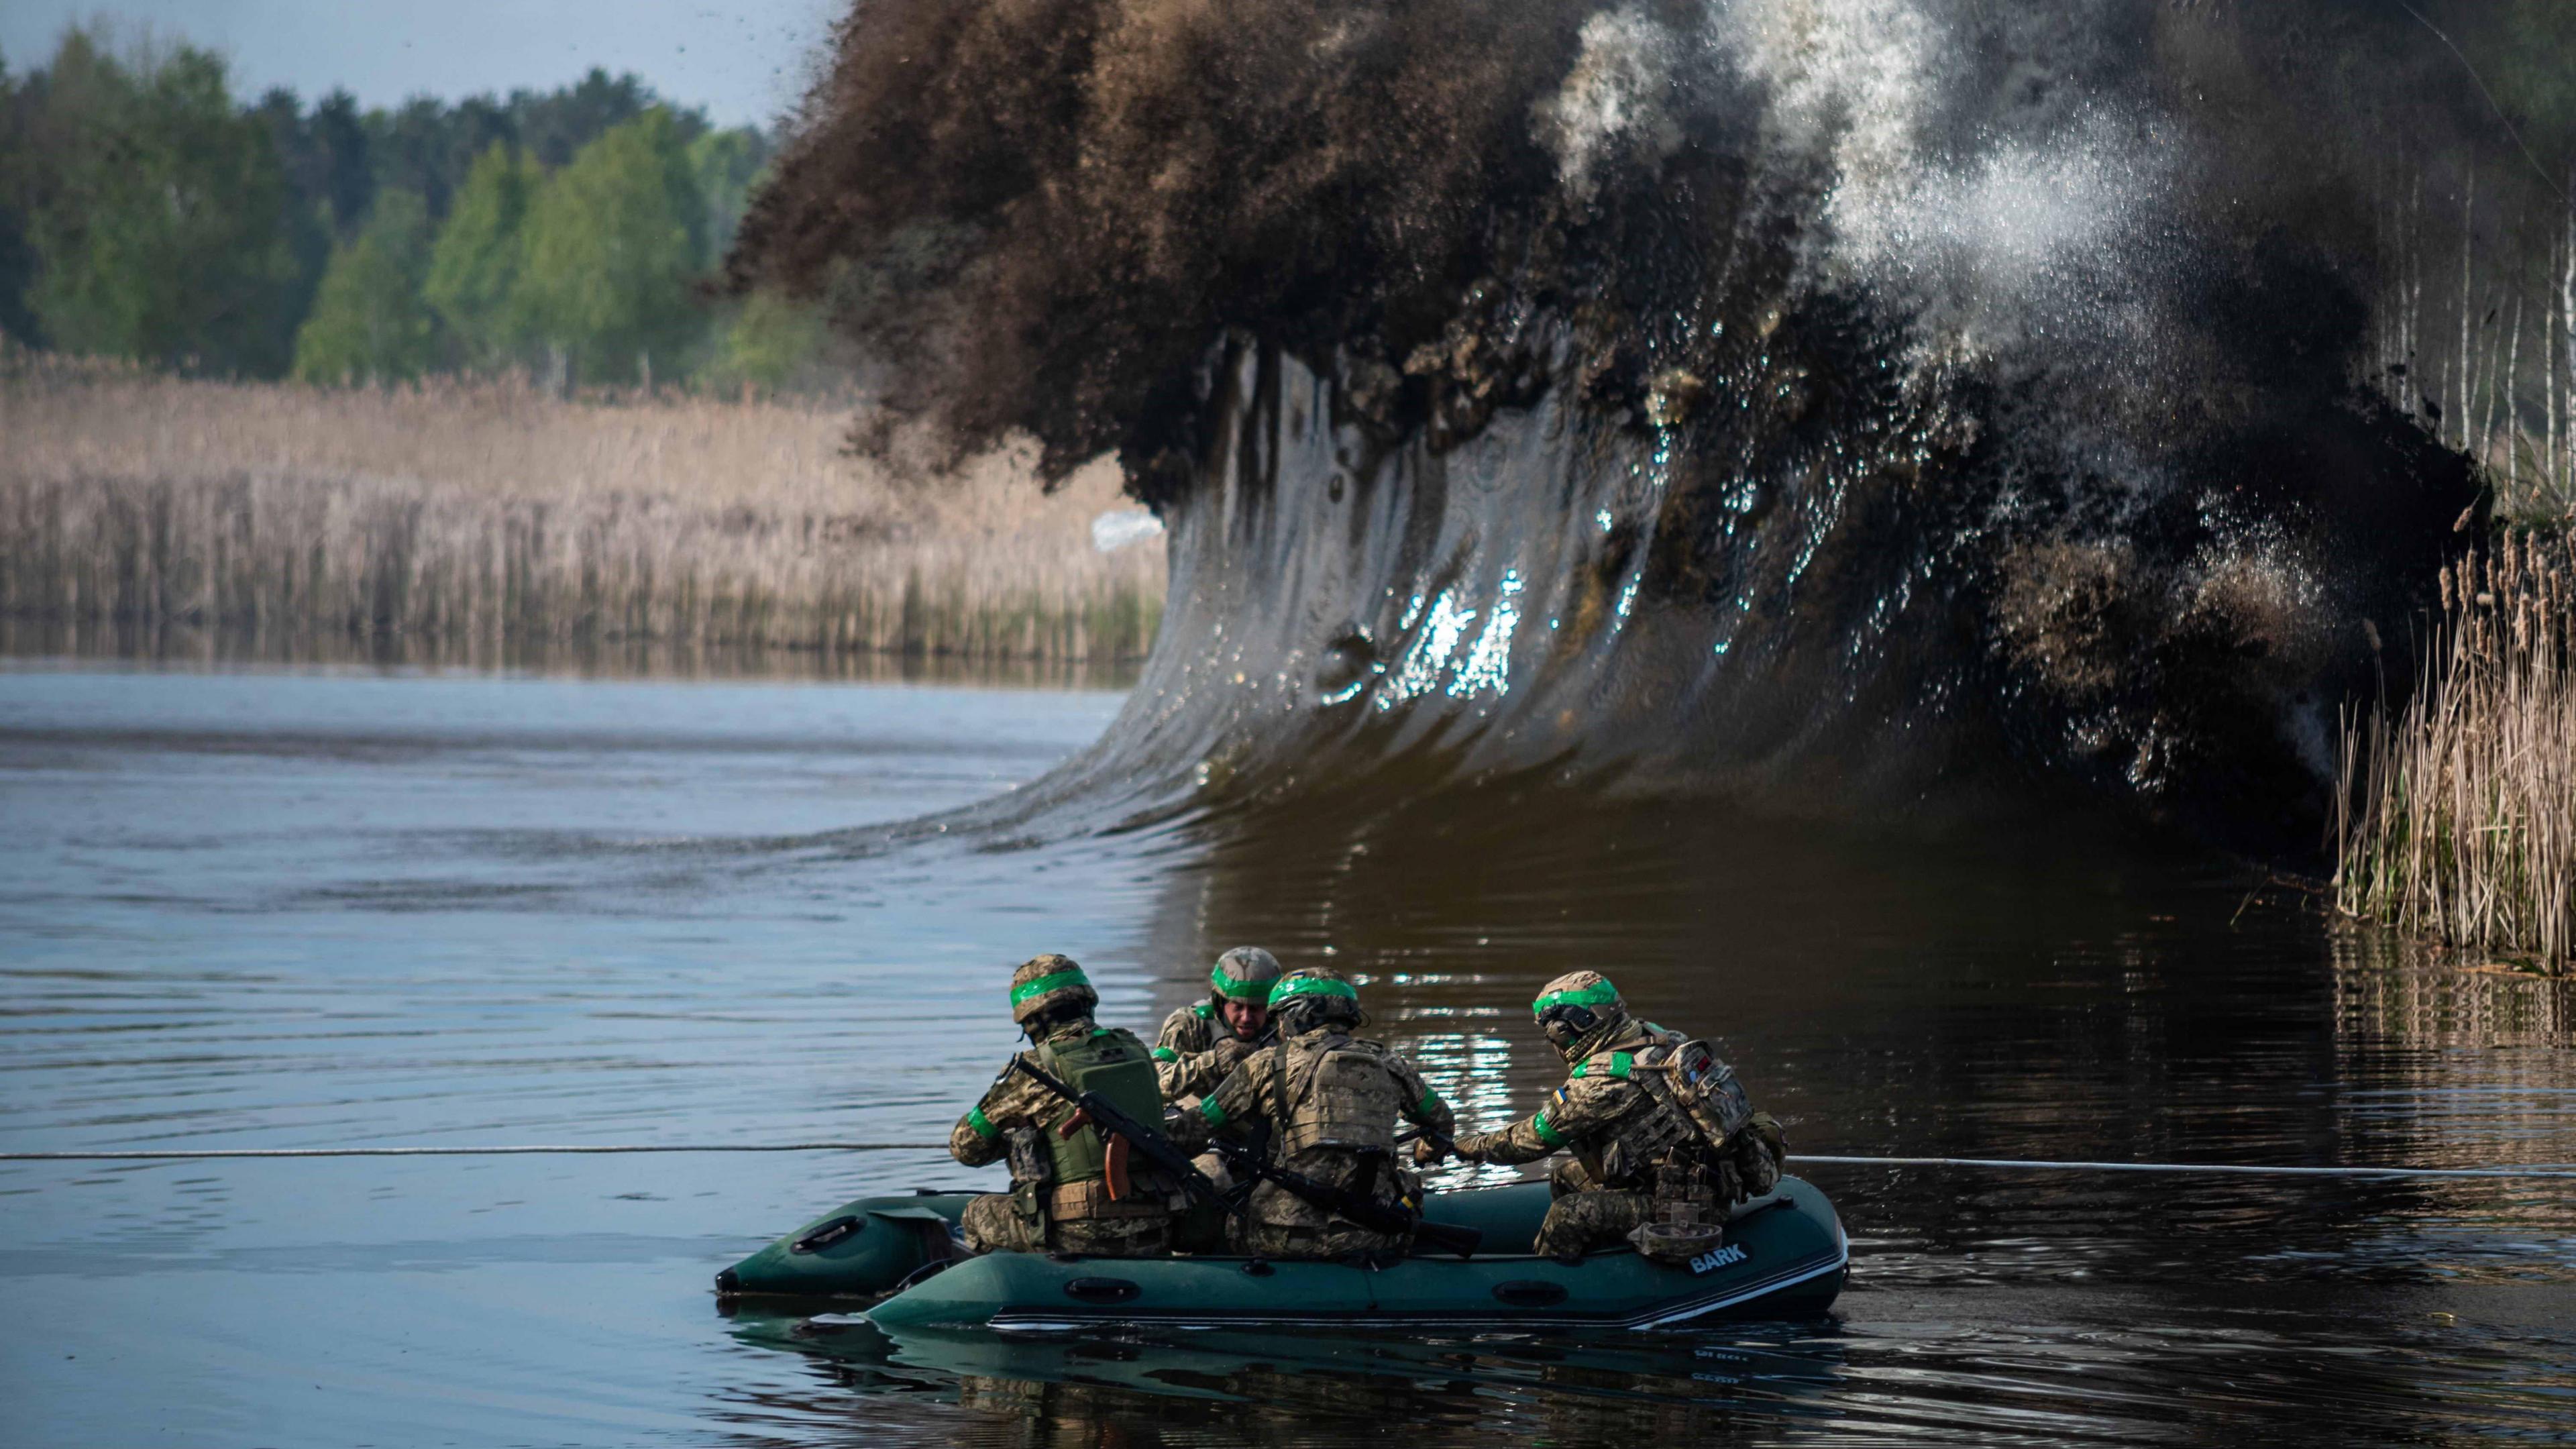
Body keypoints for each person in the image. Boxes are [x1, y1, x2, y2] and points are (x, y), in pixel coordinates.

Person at [1446, 970, 1785, 1263]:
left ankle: (1555, 1287)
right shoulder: (1660, 1039)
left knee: (1566, 1215)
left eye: (1553, 1032)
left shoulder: (1603, 1081)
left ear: (1575, 1026)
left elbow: (1530, 1142)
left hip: (1685, 1207)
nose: (1554, 1042)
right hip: (1697, 1179)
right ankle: (1607, 1254)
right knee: (1566, 1178)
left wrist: (1464, 1147)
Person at [1167, 965, 1456, 1259]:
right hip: (1373, 1234)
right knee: (1406, 1180)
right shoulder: (1391, 1064)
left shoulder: (1264, 1064)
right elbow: (1442, 1122)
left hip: (1278, 1238)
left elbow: (1194, 1130)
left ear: (1293, 1018)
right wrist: (1426, 1150)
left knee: (1226, 1213)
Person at [948, 954, 1184, 1256]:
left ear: (1033, 1020)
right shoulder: (1134, 1048)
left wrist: (1003, 1129)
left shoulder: (1035, 1069)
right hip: (1159, 1225)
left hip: (1080, 1233)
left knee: (976, 1213)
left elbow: (965, 1148)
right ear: (1087, 1002)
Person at [1152, 946, 1284, 1102]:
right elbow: (1154, 1082)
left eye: (1256, 1008)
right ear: (1220, 1002)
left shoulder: (1284, 1025)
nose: (1246, 1018)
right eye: (1238, 1007)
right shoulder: (1189, 1024)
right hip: (1197, 1118)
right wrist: (1213, 1063)